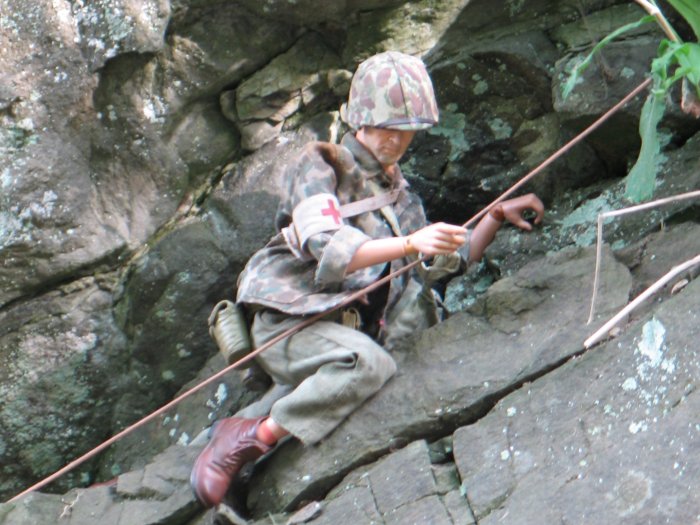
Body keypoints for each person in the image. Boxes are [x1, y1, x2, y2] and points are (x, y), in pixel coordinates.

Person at [190, 51, 544, 508]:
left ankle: (233, 464)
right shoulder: (322, 165)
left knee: (342, 376)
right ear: (360, 119)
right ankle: (249, 437)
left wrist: (494, 216)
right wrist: (410, 242)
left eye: (406, 130)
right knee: (368, 365)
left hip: (338, 339)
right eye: (385, 127)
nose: (396, 140)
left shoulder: (402, 198)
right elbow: (327, 245)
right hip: (289, 324)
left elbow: (445, 262)